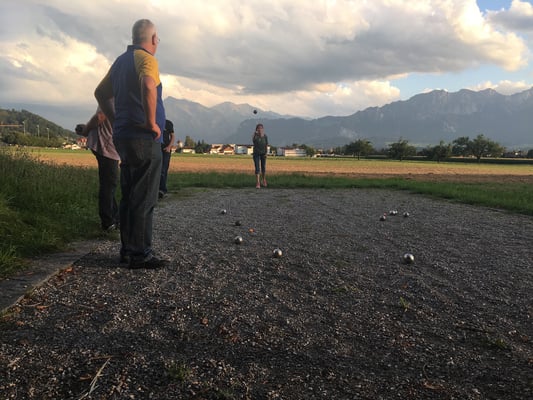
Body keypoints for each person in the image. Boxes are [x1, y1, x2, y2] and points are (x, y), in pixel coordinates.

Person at [94, 19, 167, 269]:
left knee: (129, 194)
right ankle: (140, 254)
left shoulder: (120, 61)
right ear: (154, 39)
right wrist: (151, 122)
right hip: (143, 138)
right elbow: (148, 84)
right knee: (144, 197)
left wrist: (116, 120)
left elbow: (100, 93)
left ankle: (127, 250)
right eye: (158, 39)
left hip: (123, 137)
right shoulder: (146, 59)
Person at [75, 107, 120, 232]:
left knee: (109, 183)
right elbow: (100, 117)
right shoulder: (114, 97)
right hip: (106, 146)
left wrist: (87, 128)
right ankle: (108, 222)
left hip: (107, 145)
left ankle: (114, 218)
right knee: (109, 184)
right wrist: (86, 130)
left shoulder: (114, 97)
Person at [159, 119, 175, 199]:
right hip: (156, 148)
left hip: (165, 150)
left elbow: (172, 136)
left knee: (163, 170)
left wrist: (169, 147)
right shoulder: (154, 120)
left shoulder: (168, 123)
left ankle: (162, 190)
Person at [252, 123, 268, 188]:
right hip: (256, 154)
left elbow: (266, 145)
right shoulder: (255, 136)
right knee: (257, 168)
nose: (260, 129)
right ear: (256, 129)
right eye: (258, 128)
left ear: (263, 129)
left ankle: (264, 180)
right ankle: (258, 183)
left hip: (263, 153)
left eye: (261, 128)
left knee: (263, 167)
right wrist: (255, 134)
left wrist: (266, 153)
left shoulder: (265, 136)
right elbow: (253, 141)